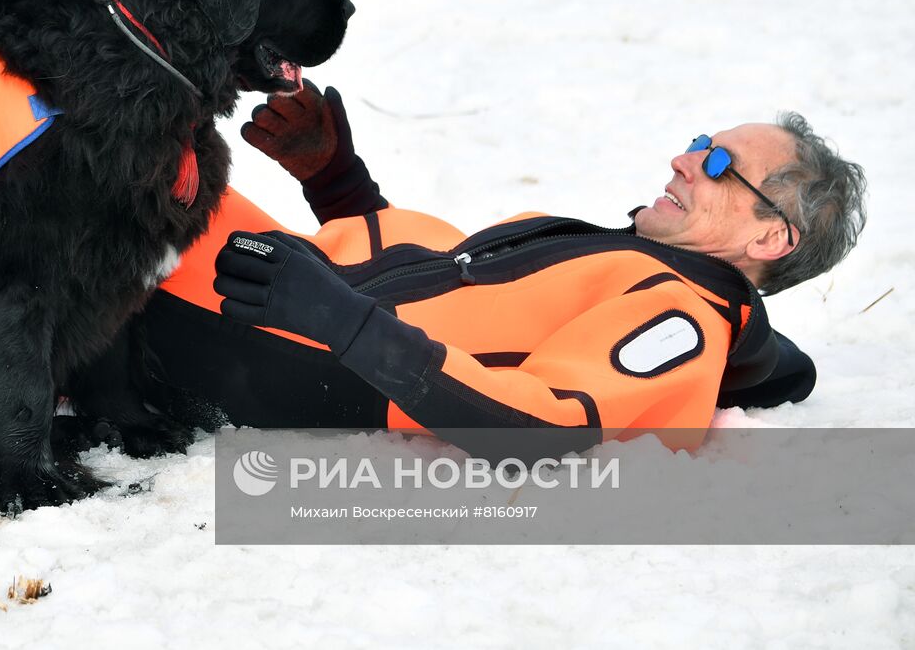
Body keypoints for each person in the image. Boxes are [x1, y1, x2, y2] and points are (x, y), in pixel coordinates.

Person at [138, 84, 867, 452]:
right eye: (698, 142)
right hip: (264, 288)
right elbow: (434, 292)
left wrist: (337, 316)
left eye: (718, 164)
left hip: (255, 345)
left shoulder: (682, 320)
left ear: (771, 238)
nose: (684, 160)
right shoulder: (616, 258)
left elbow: (539, 426)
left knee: (90, 160)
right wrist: (337, 182)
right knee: (114, 131)